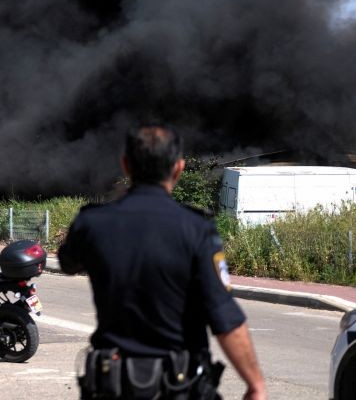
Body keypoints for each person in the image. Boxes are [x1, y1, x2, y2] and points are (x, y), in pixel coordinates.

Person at [58, 125, 266, 400]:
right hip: (177, 386)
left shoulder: (92, 222)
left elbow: (67, 262)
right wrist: (255, 384)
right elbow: (224, 317)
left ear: (125, 165)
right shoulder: (196, 229)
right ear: (178, 168)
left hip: (112, 385)